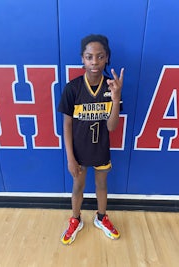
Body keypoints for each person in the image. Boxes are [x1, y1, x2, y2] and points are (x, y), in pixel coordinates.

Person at [58, 34, 124, 245]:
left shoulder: (112, 87)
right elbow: (67, 125)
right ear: (82, 59)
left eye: (100, 56)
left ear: (107, 58)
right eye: (89, 57)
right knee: (78, 186)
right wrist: (70, 157)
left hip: (101, 149)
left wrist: (115, 99)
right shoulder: (72, 88)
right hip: (78, 150)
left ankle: (101, 217)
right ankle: (76, 219)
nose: (94, 62)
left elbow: (112, 126)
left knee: (101, 185)